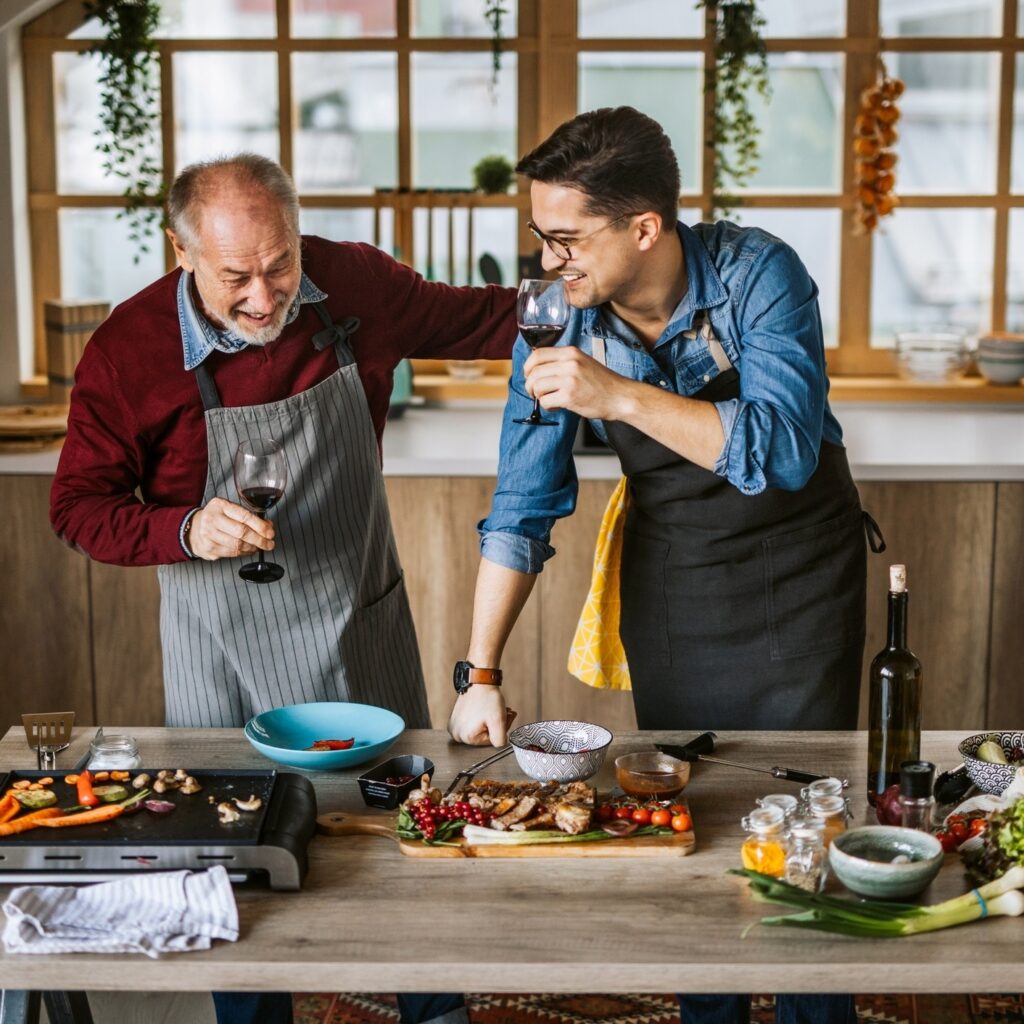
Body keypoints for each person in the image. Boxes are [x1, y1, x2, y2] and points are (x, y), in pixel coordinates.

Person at [50, 153, 515, 1024]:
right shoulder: (130, 350)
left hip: (356, 623)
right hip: (217, 649)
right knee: (235, 866)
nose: (265, 300)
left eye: (281, 266)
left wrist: (604, 287)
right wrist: (183, 529)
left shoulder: (353, 284)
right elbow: (77, 508)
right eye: (236, 278)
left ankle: (435, 1010)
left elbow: (489, 318)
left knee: (406, 838)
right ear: (180, 252)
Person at [447, 107, 882, 1024]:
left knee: (809, 818)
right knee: (685, 818)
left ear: (644, 228)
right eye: (540, 236)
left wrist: (616, 394)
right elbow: (522, 502)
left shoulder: (756, 273)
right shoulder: (555, 318)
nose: (549, 260)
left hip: (801, 581)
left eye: (566, 239)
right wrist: (478, 673)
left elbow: (784, 448)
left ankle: (816, 1011)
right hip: (676, 584)